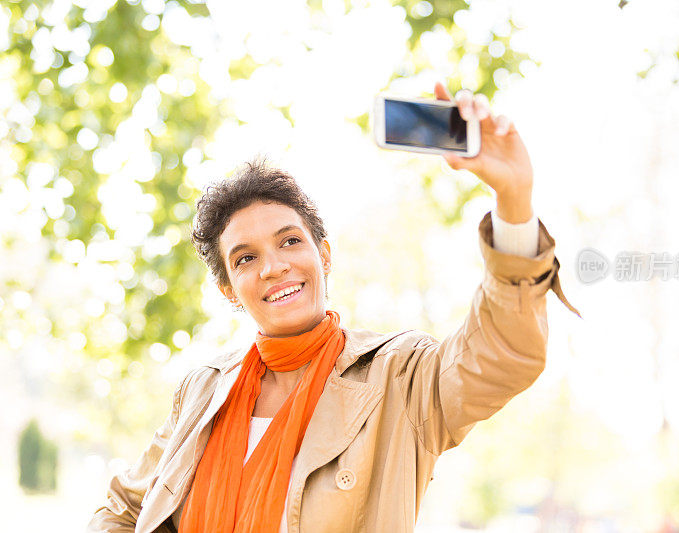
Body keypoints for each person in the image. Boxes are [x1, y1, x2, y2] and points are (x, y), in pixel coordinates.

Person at [87, 82, 581, 533]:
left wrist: (514, 197)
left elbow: (500, 355)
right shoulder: (203, 389)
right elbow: (122, 508)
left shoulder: (399, 378)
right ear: (229, 290)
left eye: (289, 242)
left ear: (323, 255)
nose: (274, 267)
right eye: (245, 258)